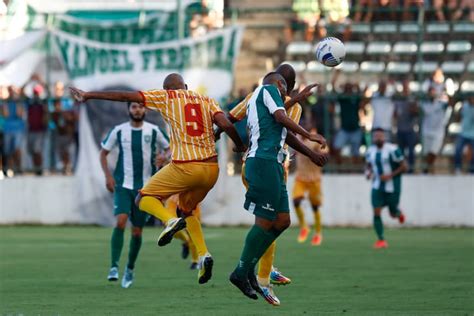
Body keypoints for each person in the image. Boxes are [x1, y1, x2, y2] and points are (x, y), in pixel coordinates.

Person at [70, 73, 246, 285]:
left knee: (143, 199)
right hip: (211, 169)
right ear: (186, 86)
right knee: (187, 210)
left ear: (167, 89)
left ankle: (170, 221)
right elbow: (226, 125)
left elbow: (126, 96)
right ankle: (203, 255)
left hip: (186, 166)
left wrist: (90, 95)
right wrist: (240, 145)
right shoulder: (207, 100)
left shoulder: (167, 98)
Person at [219, 64, 323, 305]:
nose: (285, 90)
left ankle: (252, 270)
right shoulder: (267, 89)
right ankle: (243, 271)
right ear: (279, 84)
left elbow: (284, 133)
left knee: (282, 221)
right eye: (285, 86)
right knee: (265, 221)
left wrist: (312, 154)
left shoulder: (270, 99)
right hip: (262, 161)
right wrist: (309, 134)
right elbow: (280, 117)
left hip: (275, 164)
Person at [100, 101, 169, 288]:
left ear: (145, 110)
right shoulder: (119, 130)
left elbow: (171, 148)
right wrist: (108, 176)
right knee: (120, 221)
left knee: (137, 231)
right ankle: (114, 267)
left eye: (140, 106)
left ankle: (129, 268)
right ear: (128, 110)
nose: (137, 109)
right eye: (134, 107)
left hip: (145, 188)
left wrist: (165, 157)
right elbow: (103, 153)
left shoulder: (154, 130)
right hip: (122, 184)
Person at [365, 128, 407, 249]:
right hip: (377, 186)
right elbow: (368, 166)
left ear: (384, 137)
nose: (378, 138)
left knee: (392, 213)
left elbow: (404, 166)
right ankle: (381, 239)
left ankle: (398, 213)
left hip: (393, 186)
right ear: (373, 138)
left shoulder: (393, 149)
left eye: (380, 136)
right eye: (376, 136)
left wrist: (390, 176)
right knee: (376, 211)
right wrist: (368, 173)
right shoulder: (370, 151)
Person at [293, 129, 328, 246]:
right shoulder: (296, 138)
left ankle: (318, 233)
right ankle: (304, 227)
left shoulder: (315, 140)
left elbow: (325, 153)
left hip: (314, 179)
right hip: (300, 178)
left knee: (315, 207)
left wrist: (320, 151)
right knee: (296, 201)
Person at [420, 87, 449, 174]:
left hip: (438, 132)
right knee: (426, 153)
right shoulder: (424, 104)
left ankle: (426, 169)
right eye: (430, 93)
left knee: (433, 152)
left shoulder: (442, 104)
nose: (432, 94)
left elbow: (450, 103)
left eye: (433, 92)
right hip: (426, 131)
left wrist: (446, 92)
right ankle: (428, 170)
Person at [394, 81, 418, 173]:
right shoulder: (399, 99)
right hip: (400, 129)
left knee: (411, 151)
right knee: (401, 152)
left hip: (410, 130)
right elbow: (395, 114)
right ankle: (402, 169)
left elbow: (415, 113)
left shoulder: (412, 99)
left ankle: (411, 169)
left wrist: (411, 106)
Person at [25, 84, 48, 175]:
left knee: (37, 150)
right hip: (31, 130)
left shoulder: (43, 102)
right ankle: (36, 169)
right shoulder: (30, 102)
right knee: (32, 151)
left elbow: (45, 115)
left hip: (39, 130)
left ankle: (39, 169)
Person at [2, 86, 25, 176]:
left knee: (16, 148)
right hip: (7, 129)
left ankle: (18, 168)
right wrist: (6, 102)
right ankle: (8, 169)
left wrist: (17, 101)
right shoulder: (5, 102)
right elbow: (6, 114)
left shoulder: (19, 102)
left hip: (18, 129)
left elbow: (19, 114)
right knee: (7, 150)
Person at [454, 95, 474, 174]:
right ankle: (457, 168)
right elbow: (458, 117)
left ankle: (472, 170)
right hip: (463, 133)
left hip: (473, 134)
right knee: (458, 149)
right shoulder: (464, 106)